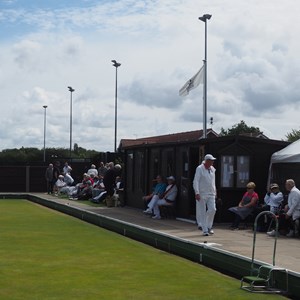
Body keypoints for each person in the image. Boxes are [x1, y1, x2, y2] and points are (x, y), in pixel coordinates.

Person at [193, 154, 217, 236]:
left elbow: (213, 182)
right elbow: (196, 181)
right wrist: (197, 192)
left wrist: (215, 192)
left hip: (211, 193)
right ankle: (205, 229)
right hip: (202, 193)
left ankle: (208, 226)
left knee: (213, 209)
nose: (212, 162)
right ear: (206, 161)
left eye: (213, 160)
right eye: (211, 160)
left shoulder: (213, 169)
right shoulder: (200, 168)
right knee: (202, 211)